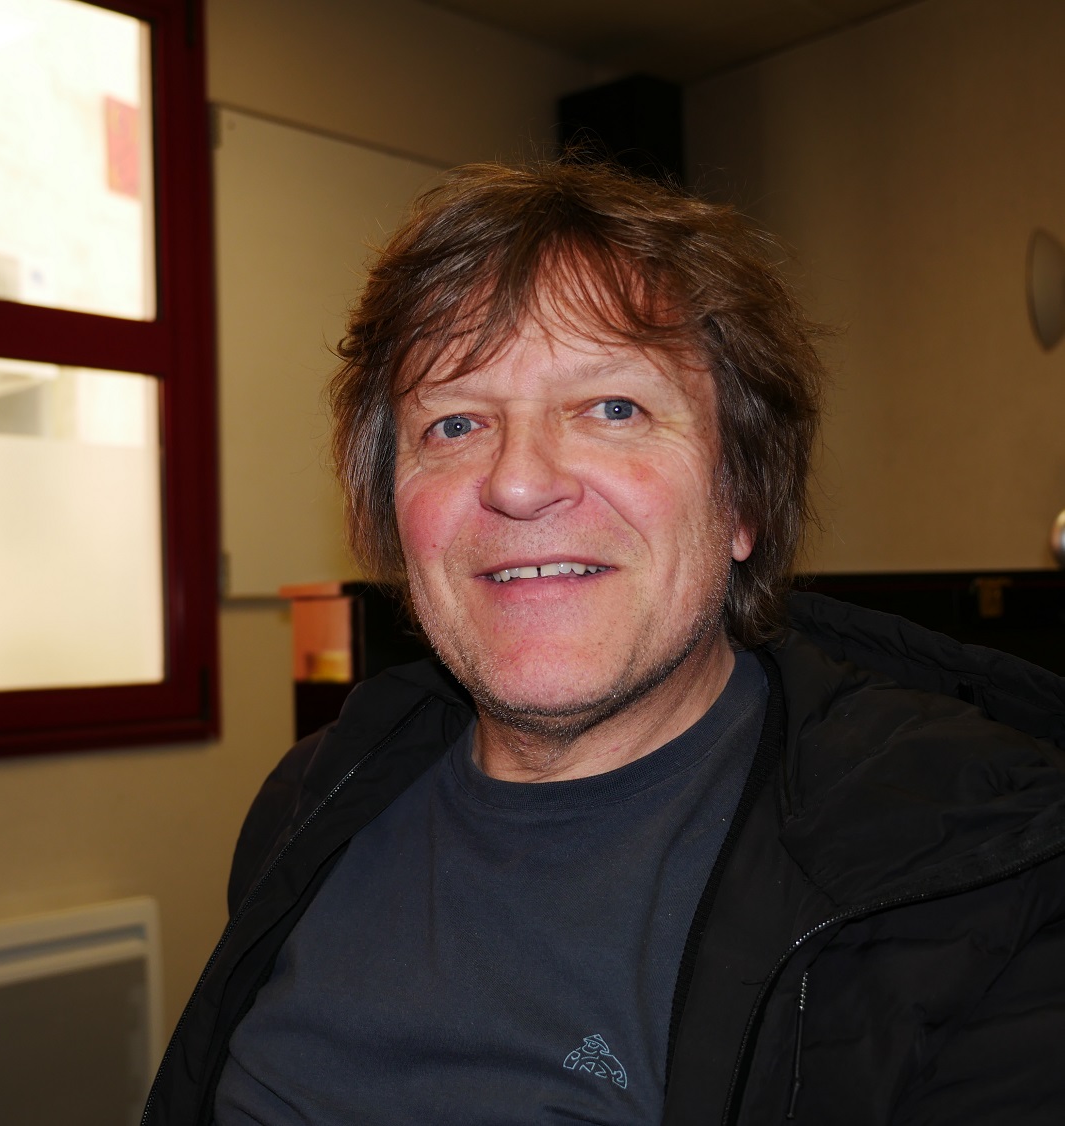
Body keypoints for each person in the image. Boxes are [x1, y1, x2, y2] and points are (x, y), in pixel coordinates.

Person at [142, 160, 1065, 1125]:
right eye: (454, 423)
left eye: (614, 409)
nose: (519, 481)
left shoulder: (979, 884)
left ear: (743, 498)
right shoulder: (311, 799)